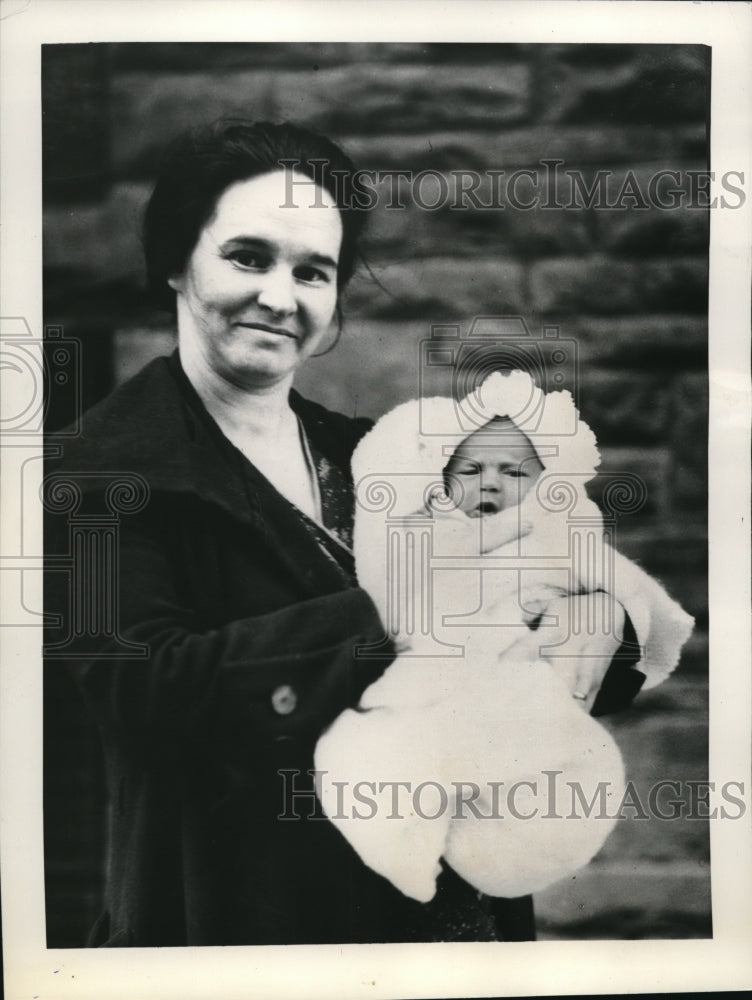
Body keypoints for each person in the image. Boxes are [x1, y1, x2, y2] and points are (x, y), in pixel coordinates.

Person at [45, 119, 644, 947]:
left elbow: (543, 585)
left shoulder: (378, 456)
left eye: (312, 271)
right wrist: (390, 616)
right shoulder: (94, 475)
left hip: (452, 926)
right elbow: (144, 695)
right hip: (247, 933)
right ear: (178, 261)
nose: (280, 297)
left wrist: (597, 620)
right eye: (248, 257)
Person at [315, 371, 694, 903]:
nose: (489, 483)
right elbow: (398, 597)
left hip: (521, 682)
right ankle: (406, 849)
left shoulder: (557, 536)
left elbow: (626, 586)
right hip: (433, 679)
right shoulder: (430, 533)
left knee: (556, 759)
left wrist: (612, 609)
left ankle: (518, 845)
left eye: (514, 471)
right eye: (470, 469)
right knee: (365, 753)